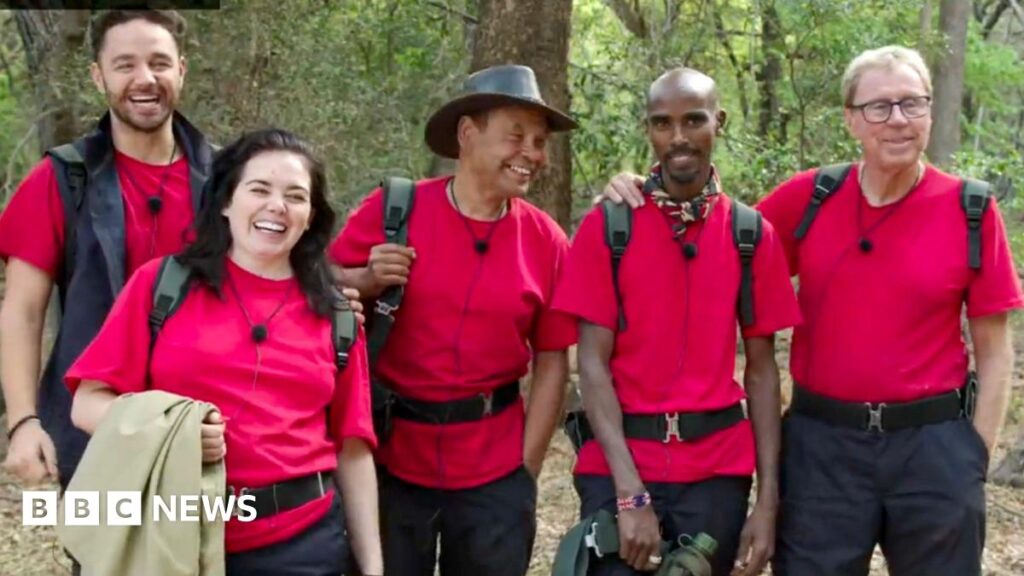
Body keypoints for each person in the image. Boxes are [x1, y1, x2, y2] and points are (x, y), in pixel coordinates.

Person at [604, 46, 1023, 576]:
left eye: (912, 104)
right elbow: (710, 223)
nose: (897, 120)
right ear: (851, 119)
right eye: (879, 107)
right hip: (822, 447)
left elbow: (995, 350)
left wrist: (973, 460)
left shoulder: (970, 209)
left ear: (931, 112)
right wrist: (636, 188)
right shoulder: (812, 198)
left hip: (933, 448)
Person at [0, 9, 362, 492]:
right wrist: (24, 421)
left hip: (214, 447)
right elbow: (22, 310)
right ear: (98, 75)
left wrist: (340, 297)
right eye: (125, 64)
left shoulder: (227, 180)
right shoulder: (63, 178)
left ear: (182, 71)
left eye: (159, 63)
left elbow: (281, 272)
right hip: (100, 433)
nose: (144, 79)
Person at [66, 129, 383, 576]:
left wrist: (372, 567)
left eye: (296, 196)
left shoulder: (336, 314)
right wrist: (173, 431)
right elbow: (86, 403)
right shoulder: (162, 287)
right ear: (226, 202)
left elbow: (353, 448)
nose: (277, 205)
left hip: (304, 544)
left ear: (310, 216)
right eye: (259, 189)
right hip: (172, 535)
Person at [330, 64, 577, 576]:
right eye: (516, 136)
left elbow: (553, 359)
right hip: (391, 460)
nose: (532, 153)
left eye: (539, 141)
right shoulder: (396, 208)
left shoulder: (546, 240)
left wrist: (524, 472)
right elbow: (316, 282)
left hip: (493, 470)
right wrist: (364, 278)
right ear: (468, 135)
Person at [552, 68, 800, 576]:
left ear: (719, 122)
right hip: (620, 462)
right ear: (649, 129)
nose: (679, 137)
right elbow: (591, 364)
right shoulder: (609, 226)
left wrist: (767, 503)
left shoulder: (750, 235)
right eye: (663, 123)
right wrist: (628, 495)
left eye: (694, 120)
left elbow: (761, 372)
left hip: (715, 471)